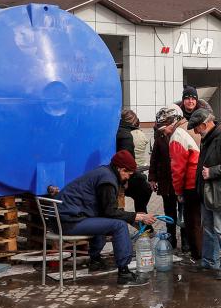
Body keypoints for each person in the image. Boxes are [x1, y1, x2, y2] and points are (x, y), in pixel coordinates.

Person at [58, 150, 156, 286]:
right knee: (119, 225)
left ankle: (96, 261)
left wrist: (132, 217)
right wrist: (137, 217)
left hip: (66, 218)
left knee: (107, 222)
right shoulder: (108, 181)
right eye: (127, 173)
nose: (128, 177)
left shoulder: (104, 172)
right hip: (69, 221)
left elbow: (105, 212)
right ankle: (124, 274)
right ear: (120, 169)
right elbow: (110, 212)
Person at [188, 109, 221, 279]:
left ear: (204, 124)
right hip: (209, 192)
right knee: (210, 229)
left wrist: (212, 172)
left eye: (197, 128)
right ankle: (209, 261)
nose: (196, 132)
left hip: (220, 193)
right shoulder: (210, 137)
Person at [168, 112, 201, 262]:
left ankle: (198, 256)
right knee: (198, 219)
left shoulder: (177, 136)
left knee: (192, 222)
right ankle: (202, 254)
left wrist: (178, 191)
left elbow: (178, 168)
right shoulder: (185, 131)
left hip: (190, 182)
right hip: (197, 180)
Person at [148, 107, 180, 248]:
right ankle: (172, 238)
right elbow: (154, 159)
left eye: (165, 124)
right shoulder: (160, 138)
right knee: (169, 211)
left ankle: (185, 241)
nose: (162, 127)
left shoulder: (181, 135)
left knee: (184, 211)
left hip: (180, 180)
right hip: (166, 181)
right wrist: (152, 178)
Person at [116, 109, 151, 213]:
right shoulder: (126, 136)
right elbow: (127, 160)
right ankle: (139, 218)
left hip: (116, 173)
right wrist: (125, 181)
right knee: (145, 189)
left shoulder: (116, 131)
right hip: (122, 176)